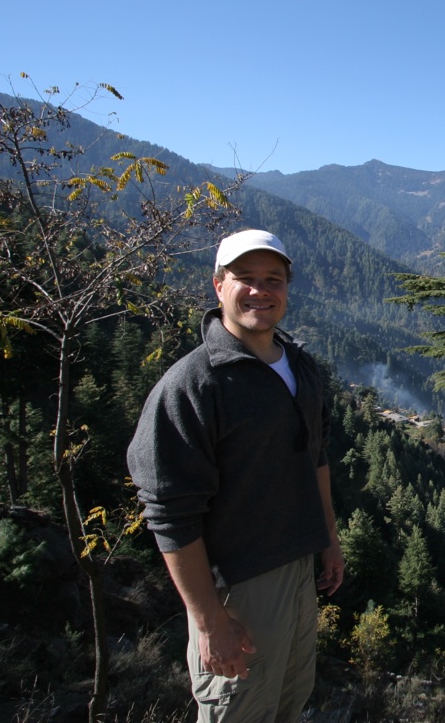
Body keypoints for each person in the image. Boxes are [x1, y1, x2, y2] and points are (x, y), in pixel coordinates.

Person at [127, 229, 345, 721]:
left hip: (297, 570)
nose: (259, 290)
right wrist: (207, 620)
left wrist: (328, 538)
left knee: (290, 699)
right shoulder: (193, 383)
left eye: (273, 279)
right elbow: (170, 511)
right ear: (218, 285)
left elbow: (316, 457)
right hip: (237, 587)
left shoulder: (299, 366)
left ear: (287, 288)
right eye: (244, 278)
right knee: (238, 710)